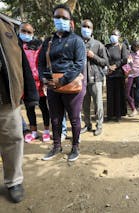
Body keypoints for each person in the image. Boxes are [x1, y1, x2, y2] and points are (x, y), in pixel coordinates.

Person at [38, 4, 86, 161]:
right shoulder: (48, 41)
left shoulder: (76, 40)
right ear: (53, 20)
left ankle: (75, 147)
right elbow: (41, 63)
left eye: (64, 18)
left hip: (71, 85)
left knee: (74, 118)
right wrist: (44, 78)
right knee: (55, 118)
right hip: (53, 86)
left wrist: (62, 80)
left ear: (70, 21)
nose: (60, 20)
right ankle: (56, 146)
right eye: (57, 17)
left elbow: (79, 64)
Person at [0, 13, 39, 203]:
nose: (26, 34)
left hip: (6, 98)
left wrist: (31, 94)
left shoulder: (7, 26)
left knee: (13, 138)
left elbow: (21, 61)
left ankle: (14, 181)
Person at [19, 22, 51, 143]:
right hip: (25, 83)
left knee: (43, 107)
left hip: (39, 83)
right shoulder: (17, 46)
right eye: (23, 31)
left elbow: (43, 64)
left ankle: (47, 131)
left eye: (29, 32)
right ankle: (33, 132)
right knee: (30, 108)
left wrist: (44, 80)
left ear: (33, 33)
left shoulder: (40, 47)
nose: (26, 34)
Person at [80, 19, 108, 136]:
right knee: (85, 105)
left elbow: (105, 61)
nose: (85, 29)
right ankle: (87, 124)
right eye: (84, 26)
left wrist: (94, 56)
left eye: (88, 27)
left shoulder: (98, 44)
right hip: (82, 80)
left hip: (96, 79)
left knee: (98, 104)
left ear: (92, 30)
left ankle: (99, 125)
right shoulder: (78, 43)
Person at [105, 29, 128, 122]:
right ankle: (110, 115)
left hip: (119, 74)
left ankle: (118, 115)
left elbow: (125, 59)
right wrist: (108, 67)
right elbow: (104, 57)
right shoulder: (106, 47)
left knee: (118, 95)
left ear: (119, 37)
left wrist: (115, 66)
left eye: (115, 34)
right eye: (112, 34)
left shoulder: (122, 46)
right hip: (109, 74)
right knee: (110, 95)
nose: (113, 36)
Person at [126, 41, 139, 116]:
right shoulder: (130, 54)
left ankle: (137, 104)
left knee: (138, 89)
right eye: (135, 46)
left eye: (138, 46)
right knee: (130, 91)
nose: (137, 48)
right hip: (130, 74)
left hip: (138, 74)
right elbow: (128, 63)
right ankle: (133, 104)